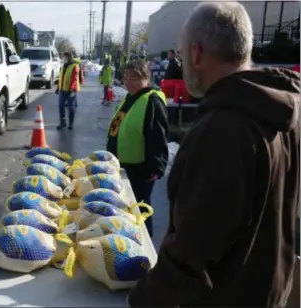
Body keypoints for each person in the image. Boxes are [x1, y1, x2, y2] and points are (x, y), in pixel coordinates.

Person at [129, 2, 300, 307]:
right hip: (271, 291)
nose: (182, 64)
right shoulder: (283, 114)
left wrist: (142, 298)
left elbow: (192, 254)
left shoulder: (222, 129)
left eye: (182, 55)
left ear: (196, 52)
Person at [106, 60, 169, 237]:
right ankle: (130, 239)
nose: (127, 82)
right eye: (125, 78)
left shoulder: (152, 100)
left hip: (140, 168)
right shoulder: (131, 96)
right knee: (127, 207)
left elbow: (158, 135)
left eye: (133, 78)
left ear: (146, 78)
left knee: (139, 209)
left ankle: (144, 245)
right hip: (125, 164)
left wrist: (156, 166)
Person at [55, 51, 80, 130]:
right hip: (62, 90)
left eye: (65, 57)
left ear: (69, 57)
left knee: (71, 107)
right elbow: (61, 78)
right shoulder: (63, 66)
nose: (64, 58)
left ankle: (71, 123)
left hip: (71, 91)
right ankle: (63, 122)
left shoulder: (74, 66)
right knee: (61, 106)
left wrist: (72, 89)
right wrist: (58, 88)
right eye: (63, 57)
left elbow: (74, 79)